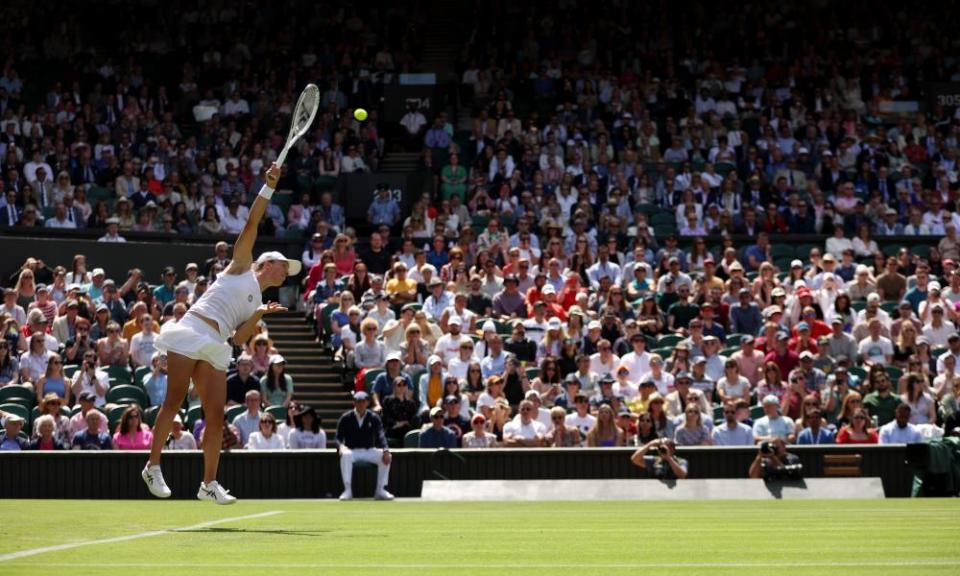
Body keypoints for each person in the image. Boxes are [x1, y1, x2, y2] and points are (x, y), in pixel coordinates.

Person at [144, 163, 295, 505]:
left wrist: (257, 314)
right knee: (175, 400)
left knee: (215, 417)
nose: (287, 271)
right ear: (266, 263)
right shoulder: (241, 263)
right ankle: (152, 465)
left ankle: (208, 483)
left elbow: (240, 340)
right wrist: (268, 187)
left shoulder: (258, 299)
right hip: (193, 328)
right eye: (284, 265)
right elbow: (252, 222)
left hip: (217, 344)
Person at [334, 391, 393, 501]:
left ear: (367, 403)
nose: (361, 404)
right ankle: (348, 490)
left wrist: (386, 450)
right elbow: (337, 438)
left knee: (386, 456)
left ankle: (380, 490)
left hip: (369, 451)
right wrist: (341, 447)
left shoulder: (374, 417)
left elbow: (381, 435)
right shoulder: (345, 418)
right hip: (352, 451)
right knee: (345, 455)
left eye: (363, 401)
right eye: (358, 401)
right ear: (354, 403)